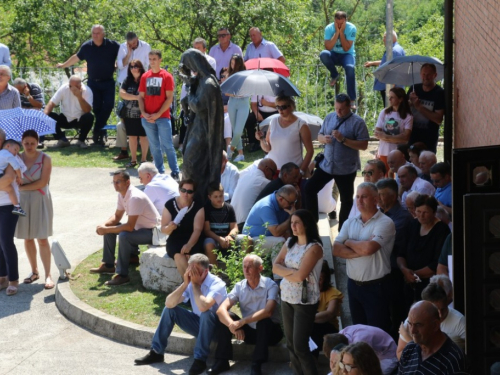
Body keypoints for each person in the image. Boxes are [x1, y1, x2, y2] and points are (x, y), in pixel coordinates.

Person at [134, 254, 227, 375]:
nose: (192, 274)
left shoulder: (217, 284)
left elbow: (204, 306)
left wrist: (195, 285)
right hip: (198, 324)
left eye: (195, 271)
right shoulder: (190, 282)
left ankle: (200, 360)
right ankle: (156, 352)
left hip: (216, 330)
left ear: (206, 271)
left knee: (206, 313)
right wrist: (185, 284)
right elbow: (169, 303)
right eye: (190, 270)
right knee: (170, 310)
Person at [333, 182, 395, 332]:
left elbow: (369, 249)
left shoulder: (385, 222)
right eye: (357, 197)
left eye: (364, 197)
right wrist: (361, 250)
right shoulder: (350, 222)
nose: (359, 201)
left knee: (377, 332)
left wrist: (348, 242)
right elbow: (335, 249)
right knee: (359, 331)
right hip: (353, 286)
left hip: (377, 287)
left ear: (375, 199)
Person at [304, 94, 369, 227]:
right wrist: (324, 139)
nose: (338, 112)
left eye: (341, 109)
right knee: (309, 188)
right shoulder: (329, 117)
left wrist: (343, 140)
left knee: (346, 200)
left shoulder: (357, 122)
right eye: (336, 108)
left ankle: (342, 231)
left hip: (345, 168)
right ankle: (312, 223)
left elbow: (364, 145)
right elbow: (319, 136)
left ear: (349, 107)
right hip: (327, 165)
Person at [273, 209, 324, 375]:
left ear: (306, 225)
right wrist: (291, 272)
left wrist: (285, 271)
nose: (292, 226)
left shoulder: (314, 247)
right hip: (287, 297)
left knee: (300, 346)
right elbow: (275, 266)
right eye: (291, 222)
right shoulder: (289, 242)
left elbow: (302, 275)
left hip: (305, 301)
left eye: (296, 223)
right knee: (290, 344)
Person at [213, 255, 283, 375]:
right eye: (244, 267)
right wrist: (233, 325)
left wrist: (242, 322)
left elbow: (268, 311)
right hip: (250, 332)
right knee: (227, 316)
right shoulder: (240, 286)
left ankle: (257, 364)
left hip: (270, 333)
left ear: (260, 268)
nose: (246, 270)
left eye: (250, 267)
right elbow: (221, 310)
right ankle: (222, 361)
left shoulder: (270, 285)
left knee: (264, 320)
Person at [90, 171, 159, 285]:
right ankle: (108, 265)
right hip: (139, 230)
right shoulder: (122, 194)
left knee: (124, 235)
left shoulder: (134, 197)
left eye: (118, 182)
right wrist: (104, 225)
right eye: (113, 182)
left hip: (152, 232)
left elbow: (129, 226)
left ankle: (122, 275)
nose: (115, 185)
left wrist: (106, 229)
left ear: (128, 182)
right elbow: (117, 216)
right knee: (110, 227)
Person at [56, 25, 119, 145]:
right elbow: (76, 57)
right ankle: (99, 133)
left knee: (109, 106)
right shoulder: (87, 46)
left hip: (108, 82)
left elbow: (122, 55)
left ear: (103, 34)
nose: (96, 35)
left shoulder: (113, 45)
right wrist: (64, 65)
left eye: (98, 33)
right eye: (94, 33)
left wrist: (118, 64)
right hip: (93, 83)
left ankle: (97, 130)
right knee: (97, 108)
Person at [14, 131, 54, 290]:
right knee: (27, 237)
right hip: (22, 200)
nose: (29, 146)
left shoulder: (46, 159)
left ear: (37, 142)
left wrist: (22, 187)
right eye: (26, 143)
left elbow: (43, 182)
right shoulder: (16, 158)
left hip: (40, 199)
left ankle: (48, 275)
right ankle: (34, 271)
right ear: (21, 143)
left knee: (42, 238)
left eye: (32, 143)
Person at [397, 195, 450, 313]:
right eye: (418, 211)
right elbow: (401, 253)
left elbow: (437, 262)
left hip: (429, 285)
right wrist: (404, 270)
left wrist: (414, 275)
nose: (421, 216)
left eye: (425, 212)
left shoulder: (442, 229)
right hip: (408, 282)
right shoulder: (412, 224)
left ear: (434, 212)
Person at [376, 178, 414, 340]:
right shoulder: (380, 214)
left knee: (396, 311)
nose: (378, 198)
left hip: (396, 271)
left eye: (382, 195)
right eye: (376, 195)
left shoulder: (402, 218)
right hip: (383, 270)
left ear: (393, 196)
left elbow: (381, 241)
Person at [397, 280, 466, 358]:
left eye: (443, 309)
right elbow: (399, 354)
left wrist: (409, 339)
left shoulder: (460, 321)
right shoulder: (413, 320)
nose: (440, 314)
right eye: (436, 310)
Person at [139, 50, 180, 179]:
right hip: (147, 118)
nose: (152, 61)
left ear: (160, 60)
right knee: (155, 147)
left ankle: (174, 172)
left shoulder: (167, 76)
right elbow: (140, 97)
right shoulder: (145, 76)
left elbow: (169, 99)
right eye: (150, 59)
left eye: (154, 59)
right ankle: (160, 173)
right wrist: (144, 113)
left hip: (162, 117)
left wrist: (157, 114)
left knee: (167, 145)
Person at [398, 301, 467, 374]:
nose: (412, 331)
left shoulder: (453, 359)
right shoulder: (409, 349)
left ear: (435, 325)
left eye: (418, 325)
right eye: (410, 324)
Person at [256, 96, 314, 175]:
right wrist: (261, 139)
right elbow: (267, 148)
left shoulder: (301, 125)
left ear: (291, 107)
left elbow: (310, 151)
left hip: (291, 173)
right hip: (272, 170)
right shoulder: (273, 121)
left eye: (283, 107)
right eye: (278, 107)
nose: (280, 110)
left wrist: (301, 171)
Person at [162, 179, 204, 276]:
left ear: (193, 193)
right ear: (179, 189)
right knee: (178, 255)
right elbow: (163, 229)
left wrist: (189, 245)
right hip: (175, 239)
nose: (186, 194)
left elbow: (198, 229)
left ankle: (190, 286)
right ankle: (191, 285)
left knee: (192, 257)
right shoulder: (170, 204)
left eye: (189, 191)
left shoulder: (198, 206)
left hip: (193, 238)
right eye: (183, 190)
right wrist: (170, 227)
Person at [326, 324, 398, 375]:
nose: (344, 371)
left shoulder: (360, 344)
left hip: (389, 356)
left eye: (348, 366)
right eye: (342, 364)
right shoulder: (339, 337)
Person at [44, 75, 93, 149]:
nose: (72, 88)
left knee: (89, 116)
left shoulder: (87, 90)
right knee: (48, 115)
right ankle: (62, 140)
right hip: (65, 118)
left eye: (75, 86)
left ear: (80, 85)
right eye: (70, 86)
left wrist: (79, 96)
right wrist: (43, 116)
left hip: (80, 120)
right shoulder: (64, 88)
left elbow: (87, 110)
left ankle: (81, 141)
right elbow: (51, 103)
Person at [319, 11, 357, 104]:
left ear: (345, 21)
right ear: (334, 21)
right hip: (334, 54)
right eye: (337, 23)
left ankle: (351, 99)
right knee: (323, 54)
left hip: (347, 55)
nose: (339, 25)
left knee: (350, 68)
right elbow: (328, 47)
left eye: (342, 23)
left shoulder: (351, 28)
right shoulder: (329, 28)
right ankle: (334, 74)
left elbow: (346, 47)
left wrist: (342, 32)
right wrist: (337, 32)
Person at [243, 185, 298, 249]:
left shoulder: (285, 206)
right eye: (291, 203)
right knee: (280, 242)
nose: (293, 206)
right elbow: (276, 232)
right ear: (281, 199)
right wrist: (292, 217)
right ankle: (277, 259)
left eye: (295, 202)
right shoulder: (266, 206)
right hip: (251, 240)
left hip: (268, 238)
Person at [408, 64, 445, 153]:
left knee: (427, 164)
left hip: (429, 138)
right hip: (412, 136)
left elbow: (438, 119)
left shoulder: (439, 93)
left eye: (428, 74)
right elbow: (403, 112)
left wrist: (419, 107)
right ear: (420, 74)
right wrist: (408, 103)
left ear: (435, 75)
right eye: (423, 74)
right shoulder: (414, 89)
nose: (426, 77)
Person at [374, 87, 413, 173]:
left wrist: (385, 136)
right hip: (383, 151)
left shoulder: (408, 116)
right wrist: (395, 138)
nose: (389, 99)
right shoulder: (384, 112)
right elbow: (377, 132)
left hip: (398, 152)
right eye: (389, 96)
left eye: (392, 97)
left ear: (400, 99)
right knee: (384, 176)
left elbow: (405, 137)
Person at [0, 129, 20, 296]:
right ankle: (2, 276)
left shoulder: (10, 155)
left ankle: (13, 279)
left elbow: (7, 179)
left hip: (8, 205)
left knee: (6, 241)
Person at [119, 60, 149, 167]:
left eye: (136, 66)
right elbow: (122, 94)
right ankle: (133, 160)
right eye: (131, 67)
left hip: (144, 113)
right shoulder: (127, 80)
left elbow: (148, 96)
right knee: (132, 137)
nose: (133, 68)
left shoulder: (146, 79)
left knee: (143, 137)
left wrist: (131, 96)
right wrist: (137, 97)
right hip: (129, 114)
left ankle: (144, 159)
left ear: (140, 67)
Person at [232, 158, 277, 229]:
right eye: (273, 174)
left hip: (232, 221)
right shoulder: (265, 182)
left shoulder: (245, 176)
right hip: (244, 225)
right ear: (267, 169)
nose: (272, 177)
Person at [364, 31, 406, 106]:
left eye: (384, 37)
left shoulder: (394, 51)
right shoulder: (396, 49)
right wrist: (372, 63)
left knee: (391, 111)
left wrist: (390, 91)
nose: (383, 40)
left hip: (392, 88)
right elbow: (387, 62)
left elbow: (394, 70)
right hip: (391, 88)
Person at [311, 260, 343, 356]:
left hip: (328, 330)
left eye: (320, 279)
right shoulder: (306, 290)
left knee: (313, 327)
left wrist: (308, 318)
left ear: (326, 279)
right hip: (310, 326)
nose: (317, 282)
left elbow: (329, 313)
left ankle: (313, 361)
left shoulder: (333, 293)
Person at [203, 182, 238, 265]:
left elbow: (234, 227)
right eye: (215, 197)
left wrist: (230, 236)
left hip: (227, 237)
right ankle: (216, 273)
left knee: (246, 240)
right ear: (209, 197)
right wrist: (219, 239)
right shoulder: (206, 208)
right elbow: (207, 230)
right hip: (213, 237)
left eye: (221, 196)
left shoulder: (229, 208)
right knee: (209, 244)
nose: (219, 199)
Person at [226, 54, 249, 162]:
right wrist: (236, 94)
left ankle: (230, 149)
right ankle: (240, 154)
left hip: (243, 103)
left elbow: (247, 91)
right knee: (235, 129)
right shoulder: (229, 74)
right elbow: (226, 92)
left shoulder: (246, 75)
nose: (233, 65)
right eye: (231, 63)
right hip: (232, 103)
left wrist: (236, 93)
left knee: (238, 131)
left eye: (235, 63)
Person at [0, 140, 26, 216]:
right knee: (10, 189)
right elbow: (16, 167)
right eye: (15, 149)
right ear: (8, 146)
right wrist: (20, 177)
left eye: (17, 151)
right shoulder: (8, 155)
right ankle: (17, 207)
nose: (15, 153)